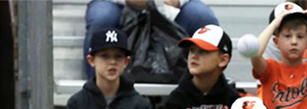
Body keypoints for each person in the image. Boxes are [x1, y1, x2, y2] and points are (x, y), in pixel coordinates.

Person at [162, 25, 241, 109]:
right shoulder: (176, 100)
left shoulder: (234, 101)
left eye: (203, 51)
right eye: (192, 50)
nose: (194, 55)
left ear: (223, 60)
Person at [82, 0, 219, 78]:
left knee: (204, 19)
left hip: (173, 4)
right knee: (102, 19)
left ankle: (208, 90)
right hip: (116, 3)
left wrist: (177, 1)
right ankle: (94, 90)